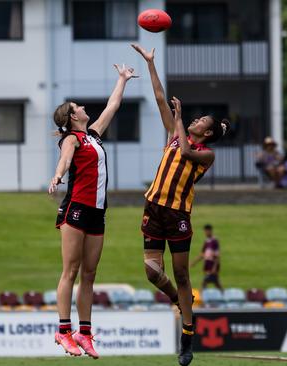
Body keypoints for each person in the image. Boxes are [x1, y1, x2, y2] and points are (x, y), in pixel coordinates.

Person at [132, 43, 229, 366]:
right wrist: (150, 64)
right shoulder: (176, 133)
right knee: (150, 272)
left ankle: (187, 335)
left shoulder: (206, 153)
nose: (196, 119)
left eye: (202, 120)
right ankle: (177, 299)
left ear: (208, 133)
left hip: (177, 215)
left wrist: (178, 120)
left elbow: (187, 154)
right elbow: (160, 98)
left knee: (183, 274)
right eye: (197, 117)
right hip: (153, 208)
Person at [49, 64, 137, 358]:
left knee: (90, 273)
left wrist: (122, 79)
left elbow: (113, 105)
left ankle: (84, 333)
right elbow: (64, 159)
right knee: (70, 271)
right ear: (73, 116)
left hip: (98, 212)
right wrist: (58, 176)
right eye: (79, 106)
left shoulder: (95, 135)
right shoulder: (72, 139)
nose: (84, 107)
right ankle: (63, 332)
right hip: (76, 209)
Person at [191, 224, 223, 290]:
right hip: (207, 264)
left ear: (211, 231)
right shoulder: (206, 241)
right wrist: (194, 262)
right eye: (205, 231)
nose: (206, 233)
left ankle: (202, 296)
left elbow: (217, 256)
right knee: (216, 282)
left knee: (205, 282)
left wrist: (214, 267)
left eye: (207, 231)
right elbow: (203, 254)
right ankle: (223, 294)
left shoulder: (214, 241)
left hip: (212, 264)